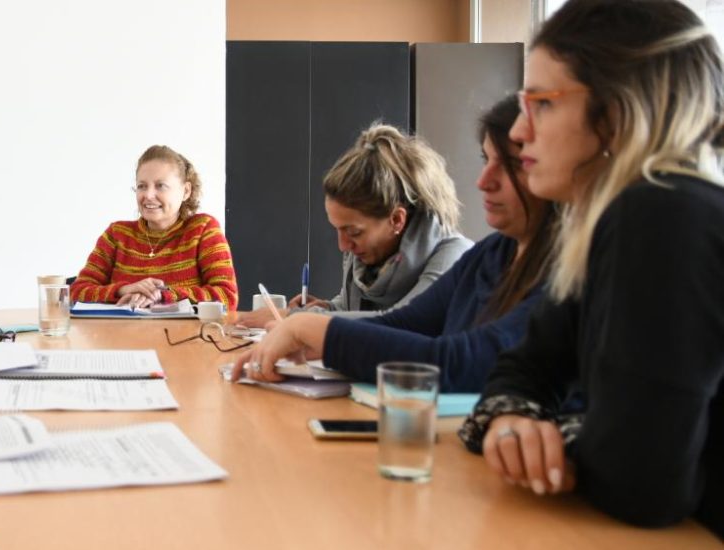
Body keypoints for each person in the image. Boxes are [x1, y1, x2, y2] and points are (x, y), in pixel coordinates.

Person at [457, 0, 724, 537]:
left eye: (543, 104)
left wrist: (534, 435)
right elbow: (521, 369)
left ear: (619, 110)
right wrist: (512, 422)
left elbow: (641, 480)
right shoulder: (606, 223)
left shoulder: (665, 214)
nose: (518, 132)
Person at [231, 96, 557, 392]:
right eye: (485, 159)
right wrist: (307, 326)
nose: (483, 181)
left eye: (513, 164)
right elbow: (403, 323)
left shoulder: (563, 270)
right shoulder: (491, 254)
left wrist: (308, 327)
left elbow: (455, 360)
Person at [235, 124, 472, 327]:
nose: (343, 245)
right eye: (337, 229)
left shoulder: (455, 258)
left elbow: (402, 323)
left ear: (397, 219)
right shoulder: (364, 255)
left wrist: (298, 319)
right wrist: (326, 307)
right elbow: (349, 309)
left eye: (354, 232)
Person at [70, 145, 238, 309]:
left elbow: (226, 297)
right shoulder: (116, 234)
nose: (148, 195)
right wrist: (123, 290)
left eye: (160, 186)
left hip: (183, 337)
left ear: (186, 191)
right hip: (122, 336)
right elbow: (76, 292)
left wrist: (163, 295)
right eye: (142, 186)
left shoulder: (203, 230)